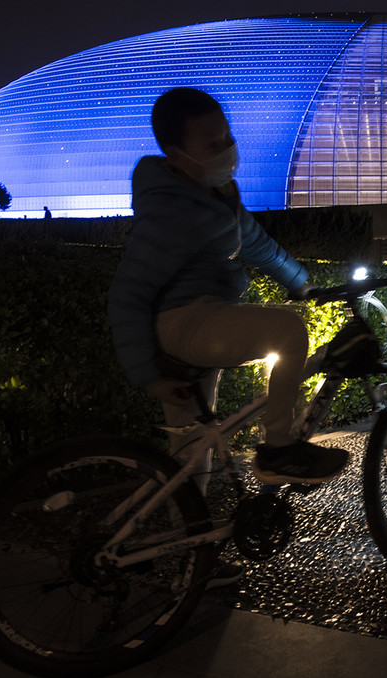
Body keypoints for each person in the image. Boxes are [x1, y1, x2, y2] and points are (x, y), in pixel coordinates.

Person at [108, 87, 350, 494]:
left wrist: (303, 285)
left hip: (204, 318)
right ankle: (279, 450)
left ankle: (193, 545)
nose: (228, 149)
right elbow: (127, 293)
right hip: (187, 322)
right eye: (213, 143)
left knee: (190, 454)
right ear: (175, 151)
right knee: (288, 332)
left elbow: (258, 245)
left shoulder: (215, 196)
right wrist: (147, 377)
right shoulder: (171, 209)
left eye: (228, 137)